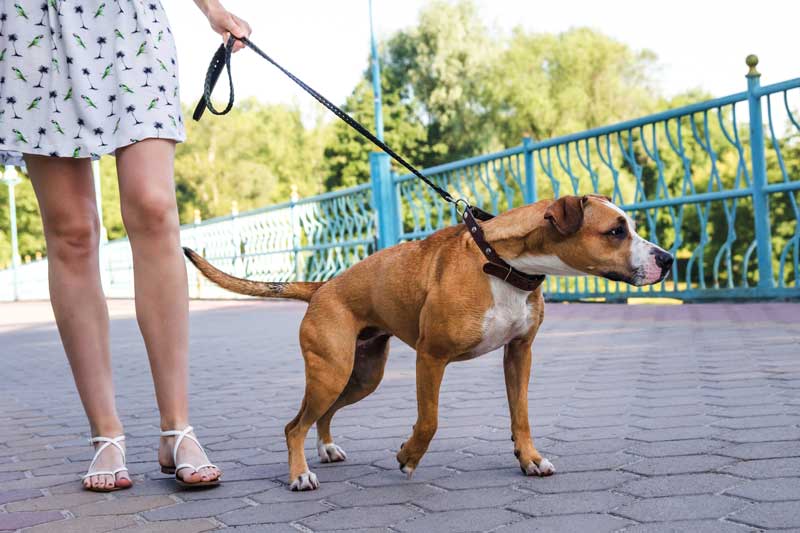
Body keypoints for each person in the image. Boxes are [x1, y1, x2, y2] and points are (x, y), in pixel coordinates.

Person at [0, 0, 251, 491]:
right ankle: (105, 435)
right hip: (33, 23)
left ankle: (177, 428)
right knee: (71, 232)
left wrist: (211, 8)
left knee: (154, 206)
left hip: (126, 17)